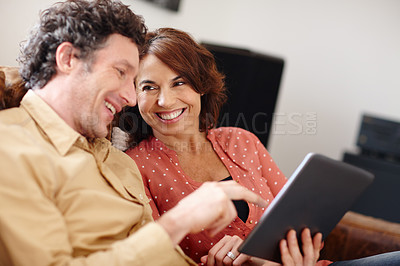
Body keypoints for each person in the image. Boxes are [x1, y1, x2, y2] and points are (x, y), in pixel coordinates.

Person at [0, 1, 280, 265]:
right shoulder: (10, 148)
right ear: (69, 58)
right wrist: (180, 220)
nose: (130, 99)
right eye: (121, 73)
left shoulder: (116, 161)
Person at [122, 28, 400, 266]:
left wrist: (302, 248)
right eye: (149, 87)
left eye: (179, 82)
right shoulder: (133, 166)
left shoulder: (242, 141)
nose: (166, 101)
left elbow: (296, 218)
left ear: (200, 86)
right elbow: (153, 255)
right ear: (134, 95)